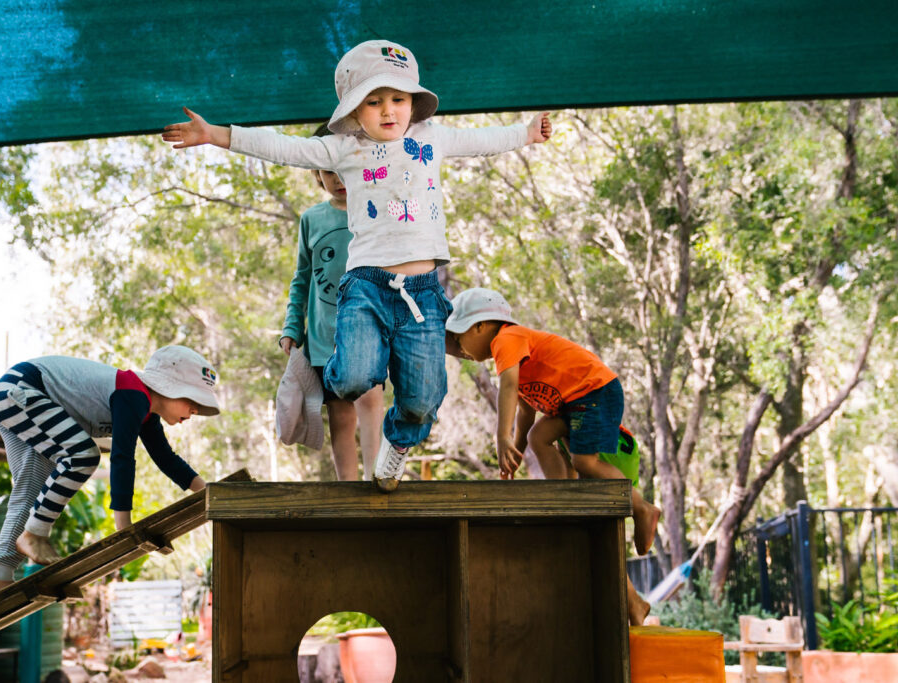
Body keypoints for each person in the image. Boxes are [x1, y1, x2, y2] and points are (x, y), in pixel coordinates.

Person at [162, 39, 551, 492]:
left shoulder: (432, 137)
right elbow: (284, 148)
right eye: (375, 101)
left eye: (398, 99)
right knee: (349, 380)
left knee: (423, 400)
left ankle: (397, 443)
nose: (389, 111)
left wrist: (525, 133)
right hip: (366, 285)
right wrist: (218, 135)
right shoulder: (343, 148)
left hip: (422, 292)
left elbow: (481, 141)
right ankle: (322, 372)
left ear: (413, 103)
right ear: (354, 110)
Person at [445, 287, 660, 625]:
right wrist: (514, 447)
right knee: (538, 436)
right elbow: (527, 413)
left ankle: (640, 506)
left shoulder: (508, 338)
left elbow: (508, 389)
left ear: (480, 326)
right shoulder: (522, 361)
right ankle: (563, 494)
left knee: (584, 461)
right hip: (576, 401)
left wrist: (500, 437)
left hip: (594, 392)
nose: (460, 351)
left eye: (459, 341)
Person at [0, 345, 219, 596]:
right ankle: (35, 533)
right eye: (192, 401)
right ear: (169, 386)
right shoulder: (132, 393)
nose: (195, 411)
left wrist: (209, 492)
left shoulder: (146, 412)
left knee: (32, 489)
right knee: (83, 455)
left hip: (11, 394)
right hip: (21, 390)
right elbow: (122, 458)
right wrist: (124, 528)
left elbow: (166, 459)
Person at [279, 123, 385, 480]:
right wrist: (292, 328)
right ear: (316, 173)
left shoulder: (376, 209)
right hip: (325, 336)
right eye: (329, 170)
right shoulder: (312, 219)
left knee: (370, 399)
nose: (339, 178)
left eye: (345, 167)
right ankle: (348, 491)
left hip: (369, 328)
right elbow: (301, 278)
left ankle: (376, 482)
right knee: (340, 415)